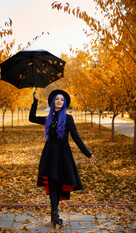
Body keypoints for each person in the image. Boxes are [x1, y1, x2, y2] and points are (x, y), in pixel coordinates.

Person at [29, 89, 97, 229]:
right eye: (56, 99)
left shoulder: (68, 118)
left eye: (61, 99)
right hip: (50, 155)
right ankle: (54, 212)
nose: (59, 101)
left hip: (63, 155)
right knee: (53, 182)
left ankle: (55, 212)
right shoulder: (48, 118)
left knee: (59, 183)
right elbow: (32, 118)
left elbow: (76, 138)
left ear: (64, 103)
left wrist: (88, 154)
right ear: (53, 102)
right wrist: (35, 102)